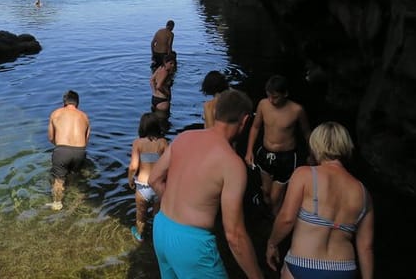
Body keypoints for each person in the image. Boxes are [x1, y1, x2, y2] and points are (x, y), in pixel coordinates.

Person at [149, 89, 264, 279]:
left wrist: (180, 207)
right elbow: (234, 235)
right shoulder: (232, 163)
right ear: (244, 120)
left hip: (161, 228)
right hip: (192, 244)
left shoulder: (184, 137)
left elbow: (154, 179)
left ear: (216, 112)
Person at [266, 121, 374, 279]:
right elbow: (366, 247)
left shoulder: (304, 175)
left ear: (316, 145)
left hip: (304, 264)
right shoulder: (364, 193)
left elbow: (287, 219)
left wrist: (272, 243)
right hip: (343, 270)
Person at [245, 75, 311, 216]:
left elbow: (306, 133)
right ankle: (268, 214)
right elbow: (255, 127)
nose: (271, 100)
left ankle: (276, 222)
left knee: (275, 198)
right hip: (265, 153)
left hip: (286, 157)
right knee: (266, 193)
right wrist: (249, 151)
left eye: (275, 97)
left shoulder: (297, 110)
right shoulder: (263, 105)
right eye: (268, 96)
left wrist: (312, 154)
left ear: (285, 94)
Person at [127, 112, 169, 242]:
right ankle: (157, 239)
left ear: (142, 127)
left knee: (141, 215)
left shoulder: (138, 143)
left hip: (142, 186)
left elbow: (133, 166)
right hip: (158, 185)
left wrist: (130, 179)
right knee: (157, 215)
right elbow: (168, 164)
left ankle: (139, 235)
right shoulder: (163, 143)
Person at [47, 90, 91, 211]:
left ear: (64, 103)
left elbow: (51, 138)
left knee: (59, 180)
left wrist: (61, 147)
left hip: (62, 151)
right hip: (80, 151)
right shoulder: (84, 116)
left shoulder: (55, 114)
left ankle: (57, 203)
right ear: (77, 103)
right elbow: (86, 140)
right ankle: (77, 200)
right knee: (74, 176)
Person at [150, 52, 176, 118]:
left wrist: (154, 91)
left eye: (174, 63)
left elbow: (152, 80)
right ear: (165, 63)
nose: (173, 65)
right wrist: (167, 93)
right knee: (164, 122)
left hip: (155, 98)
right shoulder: (166, 72)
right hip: (163, 100)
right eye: (170, 63)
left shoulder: (160, 68)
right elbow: (159, 86)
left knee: (155, 120)